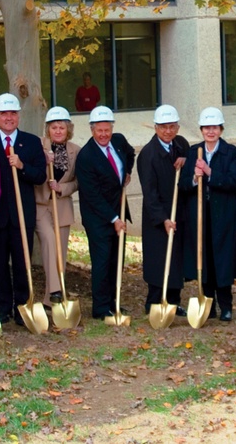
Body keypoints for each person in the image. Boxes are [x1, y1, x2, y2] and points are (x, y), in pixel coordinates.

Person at [0, 93, 47, 324]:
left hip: (22, 214)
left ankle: (22, 305)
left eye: (12, 113)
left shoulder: (31, 142)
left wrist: (21, 165)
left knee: (22, 261)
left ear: (18, 116)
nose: (8, 118)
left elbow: (40, 176)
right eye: (3, 114)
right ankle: (3, 307)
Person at [180, 107, 236, 321]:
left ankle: (226, 305)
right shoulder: (193, 152)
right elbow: (183, 185)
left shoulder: (231, 152)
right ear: (201, 130)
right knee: (203, 257)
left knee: (222, 260)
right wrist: (194, 178)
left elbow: (234, 182)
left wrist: (209, 172)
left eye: (214, 127)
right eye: (207, 128)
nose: (210, 131)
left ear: (221, 130)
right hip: (200, 214)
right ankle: (209, 304)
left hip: (222, 214)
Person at [76, 106, 136, 319]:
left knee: (116, 259)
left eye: (107, 130)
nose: (104, 134)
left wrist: (127, 171)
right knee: (102, 261)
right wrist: (114, 219)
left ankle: (113, 301)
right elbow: (92, 195)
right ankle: (101, 308)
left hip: (118, 207)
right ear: (92, 130)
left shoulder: (118, 141)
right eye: (99, 130)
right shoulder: (86, 157)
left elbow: (131, 153)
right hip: (98, 217)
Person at [137, 105, 189, 315]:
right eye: (163, 127)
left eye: (172, 127)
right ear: (156, 128)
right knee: (158, 258)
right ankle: (154, 302)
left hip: (179, 211)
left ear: (177, 127)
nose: (168, 131)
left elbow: (192, 159)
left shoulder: (181, 145)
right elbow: (149, 193)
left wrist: (186, 159)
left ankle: (174, 302)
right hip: (157, 215)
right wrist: (163, 218)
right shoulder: (148, 155)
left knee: (176, 258)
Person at [34, 107, 80, 306]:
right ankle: (56, 290)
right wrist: (44, 162)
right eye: (54, 127)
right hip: (41, 205)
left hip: (61, 206)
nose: (58, 131)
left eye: (62, 127)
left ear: (68, 129)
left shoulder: (76, 150)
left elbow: (78, 181)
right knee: (49, 241)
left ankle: (50, 299)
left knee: (60, 253)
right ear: (48, 129)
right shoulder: (38, 145)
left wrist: (62, 187)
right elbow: (31, 170)